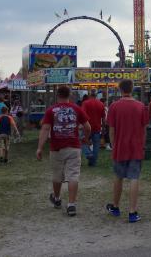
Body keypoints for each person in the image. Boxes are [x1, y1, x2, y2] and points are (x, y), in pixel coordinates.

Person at [37, 85, 91, 217]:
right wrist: (85, 138)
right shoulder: (77, 109)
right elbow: (87, 127)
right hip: (74, 146)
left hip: (56, 148)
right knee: (73, 175)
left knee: (57, 175)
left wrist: (39, 147)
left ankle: (56, 198)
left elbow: (45, 129)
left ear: (57, 95)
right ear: (70, 95)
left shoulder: (51, 110)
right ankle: (71, 205)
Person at [105, 79, 149, 223]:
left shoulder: (114, 106)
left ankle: (116, 207)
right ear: (132, 89)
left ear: (120, 89)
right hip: (136, 147)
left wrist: (113, 145)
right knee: (134, 178)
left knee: (118, 177)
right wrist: (142, 144)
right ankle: (132, 211)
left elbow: (111, 130)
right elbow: (144, 130)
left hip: (120, 147)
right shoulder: (141, 106)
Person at [81, 91, 106, 167]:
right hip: (97, 127)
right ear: (96, 96)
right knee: (96, 145)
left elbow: (82, 115)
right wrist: (103, 128)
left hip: (87, 127)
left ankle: (88, 154)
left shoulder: (85, 103)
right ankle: (93, 163)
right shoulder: (101, 104)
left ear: (89, 95)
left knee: (83, 142)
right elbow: (103, 118)